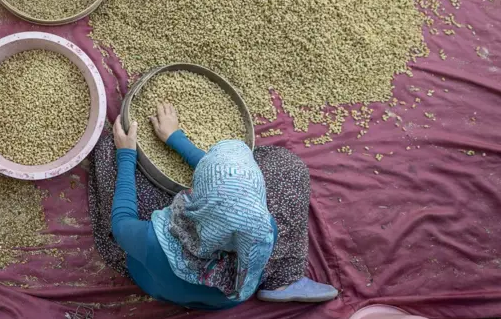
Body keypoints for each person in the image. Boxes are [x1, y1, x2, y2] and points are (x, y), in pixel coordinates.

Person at [88, 103, 339, 309]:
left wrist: (126, 155)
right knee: (286, 165)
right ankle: (283, 281)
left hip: (158, 278)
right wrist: (176, 139)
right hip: (222, 298)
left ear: (200, 196)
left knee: (107, 150)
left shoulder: (152, 240)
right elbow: (224, 187)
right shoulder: (262, 230)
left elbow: (121, 222)